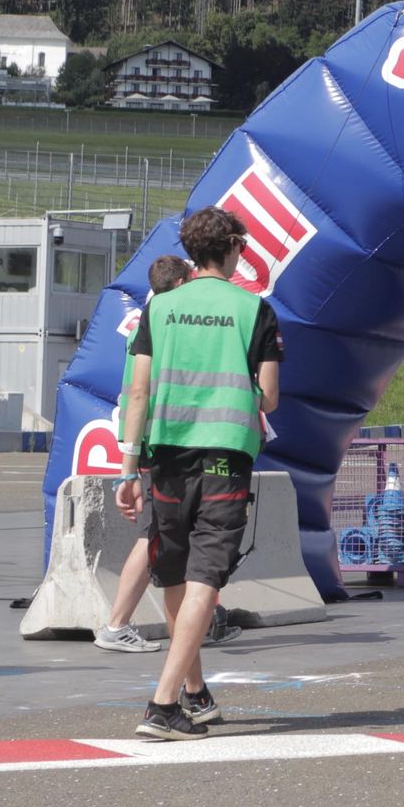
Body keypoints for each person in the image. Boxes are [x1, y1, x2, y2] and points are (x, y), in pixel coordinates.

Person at [115, 207, 281, 741]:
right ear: (232, 246)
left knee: (176, 573)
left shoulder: (159, 307)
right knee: (207, 578)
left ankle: (193, 693)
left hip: (164, 456)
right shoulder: (255, 308)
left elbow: (138, 391)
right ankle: (163, 705)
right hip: (225, 456)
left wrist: (128, 466)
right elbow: (270, 398)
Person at [95, 255, 237, 654]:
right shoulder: (165, 322)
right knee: (156, 533)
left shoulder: (149, 320)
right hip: (159, 437)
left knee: (173, 531)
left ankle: (206, 615)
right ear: (178, 284)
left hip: (146, 436)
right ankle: (117, 624)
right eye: (190, 282)